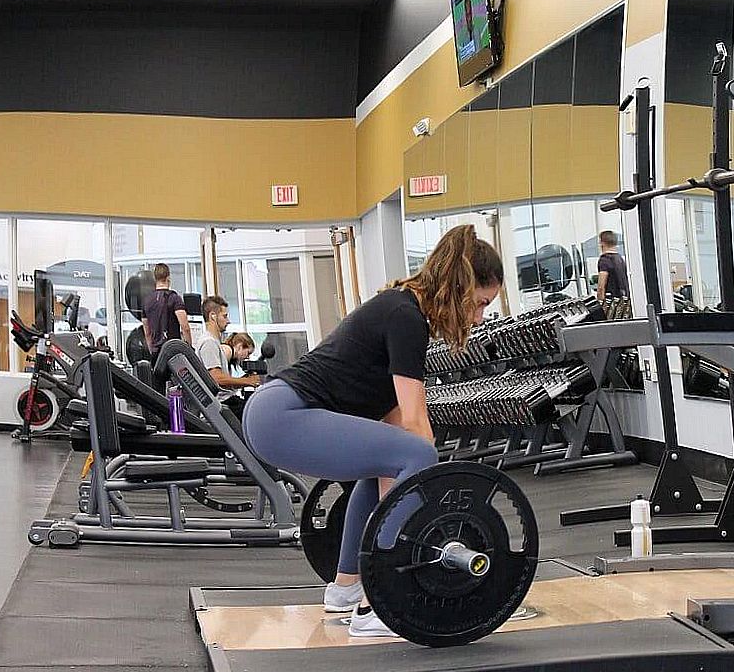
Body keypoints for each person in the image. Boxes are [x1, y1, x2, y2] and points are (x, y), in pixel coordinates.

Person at [242, 224, 503, 639]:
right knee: (418, 455)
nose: (478, 317)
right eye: (478, 303)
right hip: (282, 413)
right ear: (458, 288)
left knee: (391, 462)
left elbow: (398, 428)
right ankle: (384, 599)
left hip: (273, 413)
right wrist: (434, 519)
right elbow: (417, 432)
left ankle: (347, 588)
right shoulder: (405, 317)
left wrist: (419, 492)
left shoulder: (402, 310)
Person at [195, 296, 260, 414]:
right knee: (256, 413)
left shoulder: (215, 343)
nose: (228, 321)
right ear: (213, 316)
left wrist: (242, 381)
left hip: (226, 400)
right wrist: (248, 381)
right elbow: (216, 379)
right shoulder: (208, 343)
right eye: (224, 316)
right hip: (220, 405)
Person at [141, 263, 191, 358]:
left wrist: (152, 350)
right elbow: (185, 327)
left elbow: (147, 332)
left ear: (155, 279)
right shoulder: (175, 298)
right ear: (168, 277)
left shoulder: (146, 300)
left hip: (156, 352)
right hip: (173, 350)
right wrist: (189, 348)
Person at [596, 230, 630, 302]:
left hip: (611, 302)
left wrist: (600, 301)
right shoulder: (620, 259)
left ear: (602, 243)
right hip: (624, 300)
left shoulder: (604, 260)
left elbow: (601, 286)